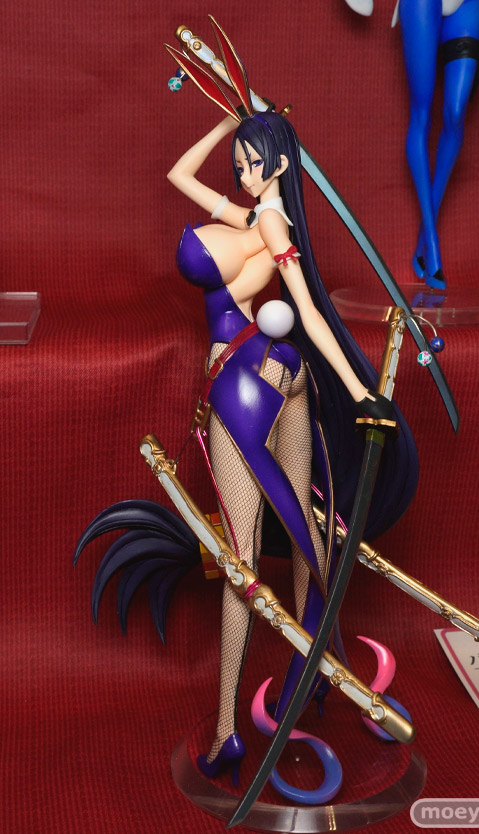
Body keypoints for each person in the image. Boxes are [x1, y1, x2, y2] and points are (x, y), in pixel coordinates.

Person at [167, 103, 418, 779]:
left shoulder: (268, 222)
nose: (245, 174)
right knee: (306, 529)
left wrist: (360, 391)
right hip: (285, 368)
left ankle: (228, 733)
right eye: (239, 165)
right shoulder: (257, 217)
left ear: (279, 163)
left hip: (242, 379)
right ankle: (315, 680)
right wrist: (228, 121)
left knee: (242, 559)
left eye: (255, 163)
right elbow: (180, 175)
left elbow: (307, 308)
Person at [395, 0, 479, 288]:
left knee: (456, 113)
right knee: (422, 114)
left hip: (467, 4)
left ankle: (425, 234)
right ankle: (432, 243)